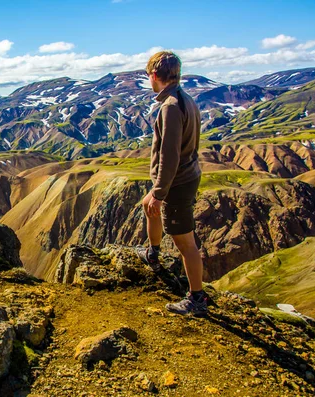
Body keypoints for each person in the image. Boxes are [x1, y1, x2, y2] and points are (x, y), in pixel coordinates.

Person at [135, 51, 206, 316]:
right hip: (184, 175)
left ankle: (196, 299)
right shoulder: (185, 99)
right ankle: (152, 252)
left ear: (154, 75)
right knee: (147, 205)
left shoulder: (171, 107)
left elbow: (169, 154)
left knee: (185, 243)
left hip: (178, 181)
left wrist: (161, 192)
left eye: (148, 76)